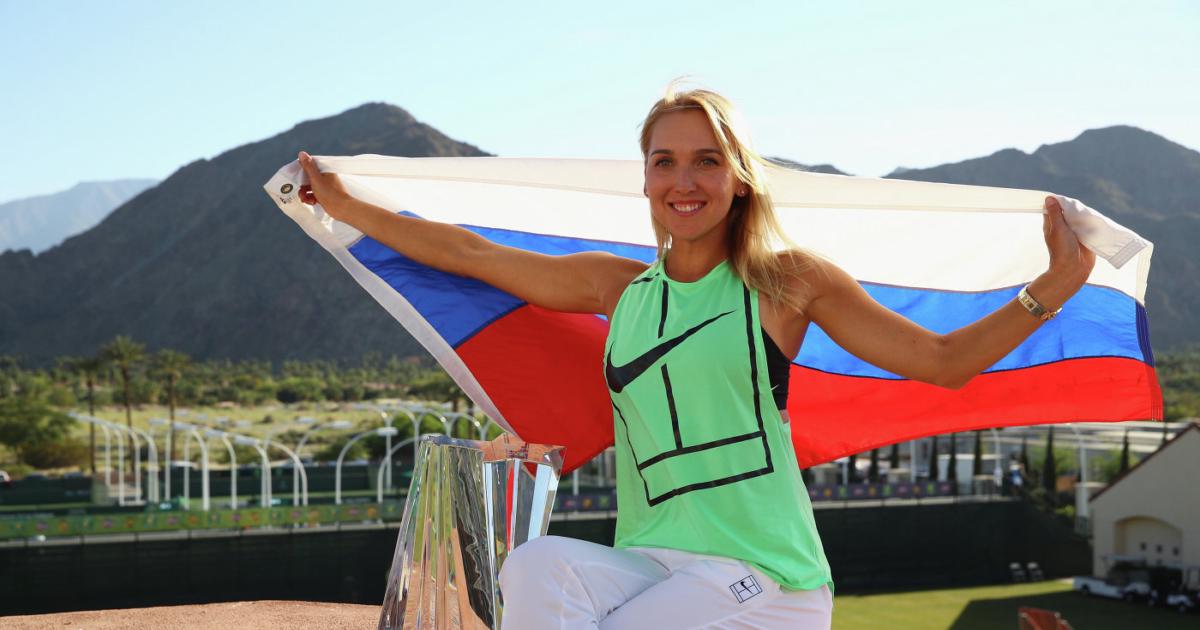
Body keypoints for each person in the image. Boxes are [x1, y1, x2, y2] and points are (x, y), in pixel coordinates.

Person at [297, 86, 1094, 629]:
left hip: (766, 580)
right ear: (645, 179)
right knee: (535, 568)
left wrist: (1050, 289)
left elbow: (943, 360)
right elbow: (469, 254)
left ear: (739, 178)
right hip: (654, 563)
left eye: (707, 159)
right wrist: (343, 206)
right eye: (665, 161)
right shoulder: (618, 288)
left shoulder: (786, 283)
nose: (685, 180)